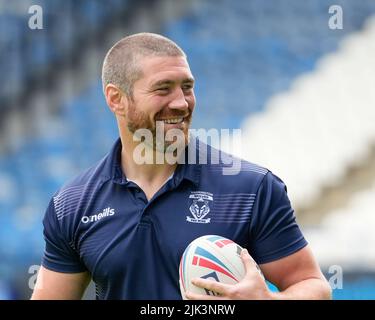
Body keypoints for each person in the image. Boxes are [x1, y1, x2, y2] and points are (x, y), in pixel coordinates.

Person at [31, 32, 331, 300]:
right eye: (163, 89)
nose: (182, 103)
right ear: (116, 99)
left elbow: (313, 285)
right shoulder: (72, 205)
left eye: (187, 87)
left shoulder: (252, 188)